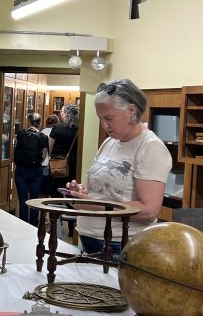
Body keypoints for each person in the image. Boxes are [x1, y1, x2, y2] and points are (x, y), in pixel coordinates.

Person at [65, 79, 170, 256]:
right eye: (100, 118)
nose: (104, 125)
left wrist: (92, 204)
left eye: (109, 118)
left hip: (120, 245)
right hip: (92, 239)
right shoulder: (110, 142)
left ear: (131, 111)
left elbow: (149, 210)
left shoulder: (150, 147)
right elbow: (104, 193)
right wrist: (83, 194)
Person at [13, 112, 48, 224]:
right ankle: (33, 223)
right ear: (40, 122)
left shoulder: (21, 134)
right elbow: (43, 156)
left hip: (21, 170)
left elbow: (16, 148)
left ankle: (23, 223)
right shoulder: (43, 137)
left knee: (23, 199)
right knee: (34, 199)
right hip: (36, 171)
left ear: (29, 121)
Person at [49, 103, 80, 192]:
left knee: (57, 188)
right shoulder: (80, 128)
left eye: (62, 111)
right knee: (72, 188)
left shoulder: (58, 127)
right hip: (75, 163)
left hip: (58, 163)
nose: (60, 114)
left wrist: (52, 156)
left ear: (67, 113)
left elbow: (50, 146)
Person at [40, 113, 60, 196]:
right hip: (52, 163)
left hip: (42, 163)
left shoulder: (42, 132)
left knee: (42, 190)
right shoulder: (56, 133)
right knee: (50, 187)